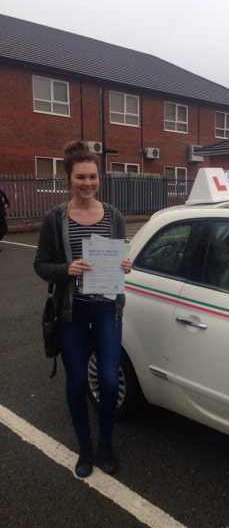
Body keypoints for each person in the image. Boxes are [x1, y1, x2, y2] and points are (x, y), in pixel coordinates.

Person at [34, 141, 131, 478]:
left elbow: (117, 259)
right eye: (80, 177)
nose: (87, 183)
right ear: (67, 177)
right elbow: (41, 265)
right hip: (71, 313)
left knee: (107, 381)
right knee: (76, 382)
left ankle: (106, 443)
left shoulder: (114, 216)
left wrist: (123, 265)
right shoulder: (54, 218)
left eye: (93, 176)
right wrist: (66, 270)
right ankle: (86, 447)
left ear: (99, 177)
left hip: (106, 309)